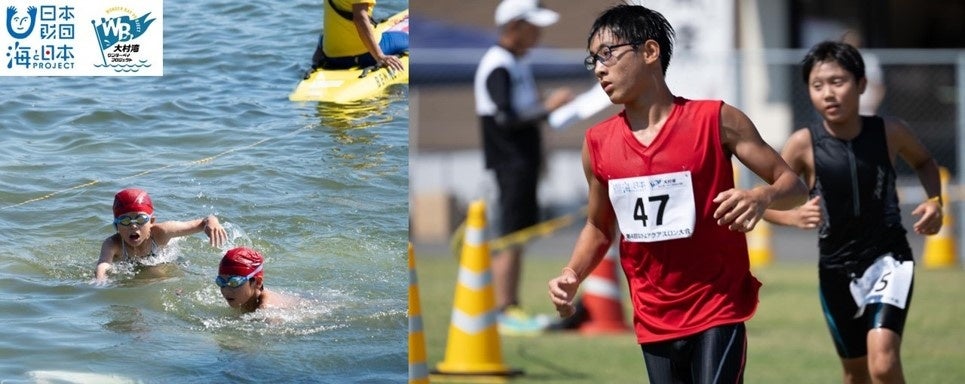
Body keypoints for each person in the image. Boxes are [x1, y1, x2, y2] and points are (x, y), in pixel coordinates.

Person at [546, 4, 808, 382]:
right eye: (594, 61)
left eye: (609, 54)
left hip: (718, 306)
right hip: (653, 315)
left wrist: (761, 196)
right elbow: (600, 226)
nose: (600, 69)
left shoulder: (716, 120)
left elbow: (793, 185)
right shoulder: (598, 143)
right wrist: (572, 273)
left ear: (650, 52)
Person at [762, 41, 942, 384]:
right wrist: (791, 217)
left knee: (884, 363)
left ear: (861, 85)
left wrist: (935, 201)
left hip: (890, 257)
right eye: (818, 86)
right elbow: (763, 203)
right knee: (855, 373)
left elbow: (925, 161)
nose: (828, 93)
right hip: (835, 269)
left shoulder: (890, 131)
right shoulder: (803, 144)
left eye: (838, 82)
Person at [474, 0, 574, 335]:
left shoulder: (515, 63)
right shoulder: (498, 64)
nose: (539, 33)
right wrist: (547, 107)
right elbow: (503, 117)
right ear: (515, 25)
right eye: (533, 26)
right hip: (508, 165)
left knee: (518, 236)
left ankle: (509, 305)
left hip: (522, 163)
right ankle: (503, 310)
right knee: (509, 237)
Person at [95, 188, 228, 283]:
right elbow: (104, 263)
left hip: (164, 259)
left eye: (140, 219)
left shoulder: (163, 232)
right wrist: (100, 279)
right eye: (125, 220)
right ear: (117, 226)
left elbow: (203, 222)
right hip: (136, 265)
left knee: (157, 272)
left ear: (152, 222)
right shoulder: (112, 244)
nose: (133, 226)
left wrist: (213, 222)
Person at [309, 0, 408, 73]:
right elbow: (360, 19)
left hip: (332, 56)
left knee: (323, 36)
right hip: (365, 55)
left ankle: (317, 60)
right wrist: (380, 56)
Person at [216, 247, 299, 312]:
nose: (226, 290)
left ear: (257, 282)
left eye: (234, 282)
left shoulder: (267, 313)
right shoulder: (242, 298)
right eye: (221, 282)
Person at [841, 29, 886, 115]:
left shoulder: (868, 60)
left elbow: (879, 87)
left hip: (866, 109)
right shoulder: (838, 62)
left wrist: (873, 106)